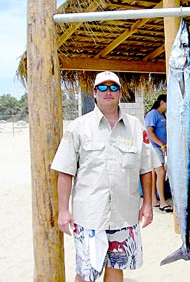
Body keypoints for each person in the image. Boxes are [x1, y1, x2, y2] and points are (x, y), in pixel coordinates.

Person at [51, 71, 154, 282]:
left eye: (114, 87)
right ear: (95, 93)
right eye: (103, 88)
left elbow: (146, 169)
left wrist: (148, 204)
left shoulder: (136, 127)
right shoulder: (78, 127)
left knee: (116, 268)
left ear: (120, 93)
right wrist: (63, 210)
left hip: (124, 215)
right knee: (86, 273)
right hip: (89, 216)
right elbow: (65, 171)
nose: (109, 92)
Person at [144, 94, 173, 213]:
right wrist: (161, 144)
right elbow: (150, 132)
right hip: (154, 148)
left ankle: (154, 200)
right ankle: (162, 202)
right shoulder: (152, 114)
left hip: (160, 148)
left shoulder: (162, 115)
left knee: (154, 174)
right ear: (162, 102)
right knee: (161, 172)